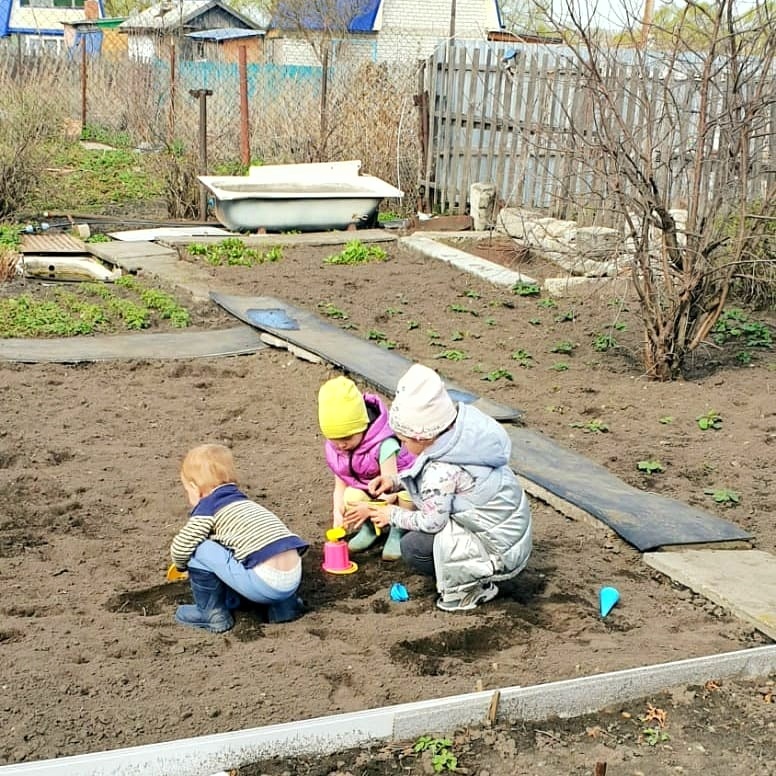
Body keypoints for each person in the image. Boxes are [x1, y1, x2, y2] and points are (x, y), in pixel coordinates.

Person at [366, 363, 532, 612]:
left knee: (413, 548)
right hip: (508, 533)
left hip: (497, 550)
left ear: (420, 436)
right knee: (422, 541)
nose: (401, 446)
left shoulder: (440, 470)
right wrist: (395, 481)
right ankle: (475, 573)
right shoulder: (458, 437)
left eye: (403, 440)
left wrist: (392, 516)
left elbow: (434, 522)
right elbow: (442, 481)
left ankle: (472, 590)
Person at [169, 443, 309, 633]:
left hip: (264, 584)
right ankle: (284, 607)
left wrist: (180, 565)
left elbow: (182, 545)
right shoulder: (245, 505)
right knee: (255, 545)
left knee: (198, 547)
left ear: (195, 488)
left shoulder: (207, 509)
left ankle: (211, 613)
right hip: (292, 579)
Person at [318, 375, 414, 561]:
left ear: (363, 426)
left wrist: (368, 509)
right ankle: (370, 530)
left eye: (346, 439)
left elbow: (391, 489)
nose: (341, 446)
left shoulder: (384, 444)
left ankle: (398, 531)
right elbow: (341, 484)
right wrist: (338, 512)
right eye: (334, 440)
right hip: (370, 490)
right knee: (350, 496)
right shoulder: (337, 448)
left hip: (398, 488)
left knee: (406, 496)